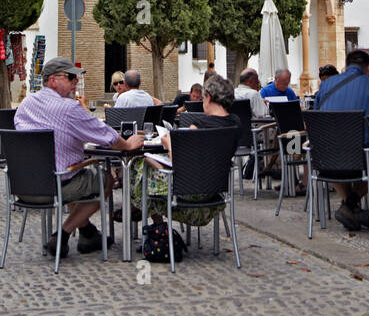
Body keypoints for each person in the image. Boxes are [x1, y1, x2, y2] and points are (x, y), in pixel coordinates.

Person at [15, 57, 144, 258]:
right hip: (56, 183)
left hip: (24, 186)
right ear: (52, 80)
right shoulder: (69, 109)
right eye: (71, 77)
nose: (76, 81)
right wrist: (129, 144)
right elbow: (107, 137)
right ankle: (62, 235)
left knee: (78, 175)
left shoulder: (26, 104)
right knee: (106, 181)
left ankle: (88, 233)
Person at [132, 72, 240, 226]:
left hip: (187, 194)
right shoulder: (235, 123)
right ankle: (145, 215)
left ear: (208, 97)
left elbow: (182, 165)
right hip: (216, 192)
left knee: (137, 165)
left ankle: (151, 221)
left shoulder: (199, 126)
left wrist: (169, 143)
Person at [311, 49, 369, 230]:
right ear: (368, 68)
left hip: (326, 160)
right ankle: (350, 204)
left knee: (334, 150)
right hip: (360, 160)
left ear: (346, 66)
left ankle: (349, 207)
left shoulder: (324, 87)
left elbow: (315, 120)